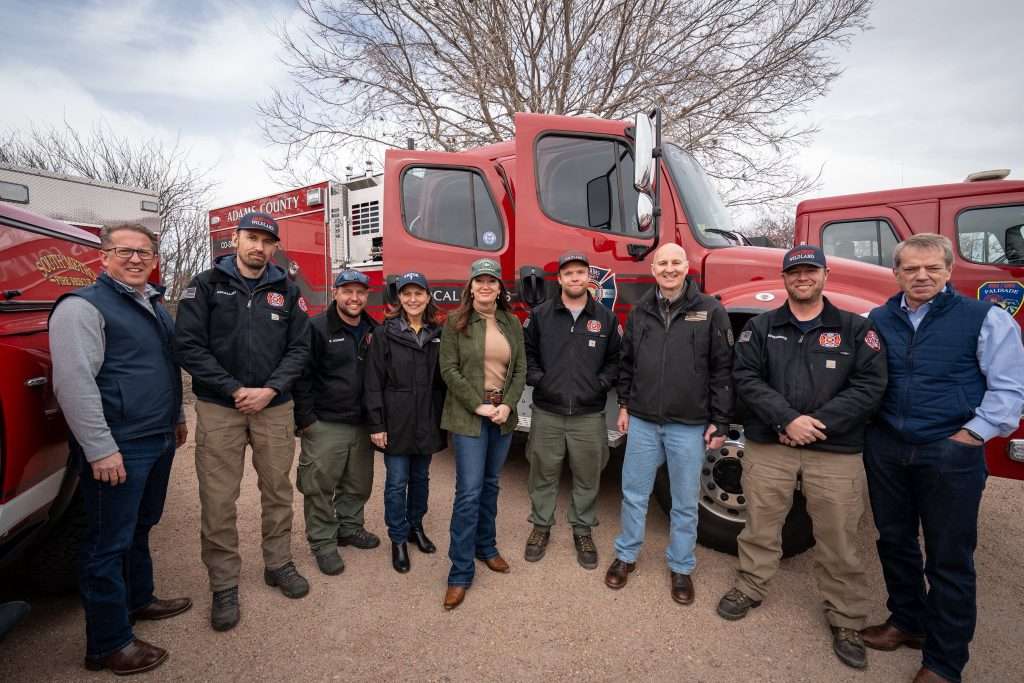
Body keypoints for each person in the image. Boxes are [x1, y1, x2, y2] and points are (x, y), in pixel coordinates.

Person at [862, 234, 1024, 683]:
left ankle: (943, 662)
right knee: (894, 541)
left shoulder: (984, 318)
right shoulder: (878, 318)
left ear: (949, 271)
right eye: (911, 268)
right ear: (896, 273)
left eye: (932, 268)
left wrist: (971, 437)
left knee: (950, 558)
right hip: (889, 447)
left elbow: (1010, 389)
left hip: (950, 452)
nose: (921, 276)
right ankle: (907, 622)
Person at [719, 244, 887, 670]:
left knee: (839, 537)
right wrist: (787, 420)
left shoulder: (854, 329)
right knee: (761, 523)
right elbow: (746, 377)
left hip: (833, 449)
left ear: (825, 276)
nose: (803, 278)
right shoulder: (760, 327)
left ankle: (846, 616)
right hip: (771, 443)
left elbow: (870, 386)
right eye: (795, 272)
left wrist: (816, 424)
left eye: (811, 271)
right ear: (785, 278)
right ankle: (751, 585)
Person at [50, 223, 190, 675]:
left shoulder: (150, 302)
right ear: (103, 256)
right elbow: (73, 385)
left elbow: (165, 368)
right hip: (119, 446)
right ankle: (108, 644)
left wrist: (178, 419)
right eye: (125, 251)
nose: (136, 259)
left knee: (141, 526)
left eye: (144, 252)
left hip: (157, 436)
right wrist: (99, 448)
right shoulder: (82, 307)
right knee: (106, 544)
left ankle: (139, 599)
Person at [174, 212, 310, 632]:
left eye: (266, 241)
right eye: (251, 238)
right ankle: (224, 584)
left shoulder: (287, 290)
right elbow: (189, 346)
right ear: (235, 239)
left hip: (274, 406)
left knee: (278, 490)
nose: (258, 247)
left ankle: (278, 563)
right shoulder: (205, 285)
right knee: (218, 499)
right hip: (220, 406)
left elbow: (301, 349)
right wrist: (234, 388)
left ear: (274, 248)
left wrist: (270, 389)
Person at [605, 243, 733, 605]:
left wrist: (720, 421)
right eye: (663, 263)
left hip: (689, 425)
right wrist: (625, 405)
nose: (670, 268)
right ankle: (626, 555)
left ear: (686, 265)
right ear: (653, 268)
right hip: (643, 421)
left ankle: (681, 566)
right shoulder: (641, 311)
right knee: (633, 493)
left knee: (684, 500)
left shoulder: (711, 311)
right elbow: (626, 363)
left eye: (676, 262)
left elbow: (723, 370)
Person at [522, 251, 620, 569]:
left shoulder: (605, 317)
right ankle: (541, 527)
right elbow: (527, 353)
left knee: (588, 476)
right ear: (560, 279)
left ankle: (582, 529)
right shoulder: (541, 315)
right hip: (548, 410)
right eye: (569, 273)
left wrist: (599, 384)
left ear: (587, 278)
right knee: (543, 473)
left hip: (589, 414)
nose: (575, 277)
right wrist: (541, 381)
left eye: (580, 272)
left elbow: (616, 360)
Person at [438, 258, 526, 610]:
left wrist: (506, 405)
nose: (486, 286)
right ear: (470, 287)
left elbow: (519, 368)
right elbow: (448, 369)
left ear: (499, 288)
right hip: (469, 416)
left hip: (501, 417)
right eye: (480, 281)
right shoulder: (455, 322)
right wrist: (478, 405)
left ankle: (486, 547)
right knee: (469, 492)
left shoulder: (512, 322)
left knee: (491, 485)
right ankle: (459, 573)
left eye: (492, 281)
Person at [293, 269, 380, 578]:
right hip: (325, 423)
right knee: (318, 486)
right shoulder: (316, 328)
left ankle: (349, 528)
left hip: (360, 422)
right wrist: (306, 420)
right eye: (347, 291)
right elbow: (301, 376)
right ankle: (323, 543)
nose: (354, 298)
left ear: (366, 295)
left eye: (360, 292)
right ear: (336, 293)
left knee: (357, 483)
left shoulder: (373, 329)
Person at [364, 272, 447, 573]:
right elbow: (373, 382)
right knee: (397, 482)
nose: (413, 299)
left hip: (426, 418)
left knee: (421, 479)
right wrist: (376, 425)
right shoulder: (384, 334)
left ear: (427, 297)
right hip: (395, 421)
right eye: (407, 294)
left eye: (418, 293)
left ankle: (415, 527)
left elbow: (444, 380)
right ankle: (398, 538)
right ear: (398, 298)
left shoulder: (438, 333)